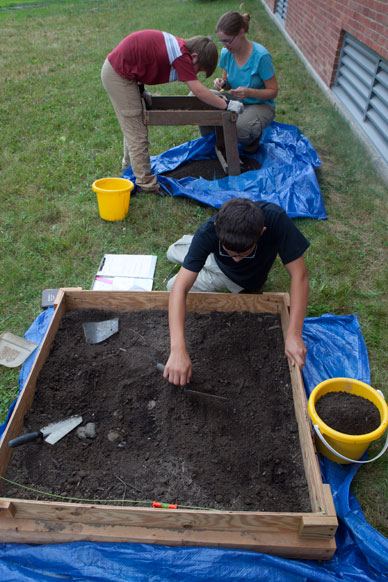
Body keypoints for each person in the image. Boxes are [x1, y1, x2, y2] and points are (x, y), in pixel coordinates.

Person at [164, 198, 309, 386]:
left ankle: (199, 262)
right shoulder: (208, 231)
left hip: (238, 280)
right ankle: (198, 259)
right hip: (214, 257)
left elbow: (300, 276)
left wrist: (294, 334)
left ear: (262, 232)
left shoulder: (276, 220)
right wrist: (177, 350)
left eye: (243, 254)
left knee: (171, 285)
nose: (237, 259)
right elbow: (182, 289)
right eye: (231, 252)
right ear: (218, 228)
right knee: (172, 252)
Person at [101, 30, 244, 193]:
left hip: (126, 74)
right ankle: (145, 183)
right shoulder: (182, 56)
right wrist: (226, 105)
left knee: (134, 126)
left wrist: (139, 90)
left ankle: (128, 169)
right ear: (195, 57)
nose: (195, 74)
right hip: (118, 75)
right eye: (198, 70)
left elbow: (141, 58)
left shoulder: (181, 48)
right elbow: (197, 90)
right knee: (137, 131)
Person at [200, 10, 277, 153]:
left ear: (241, 32)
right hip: (236, 102)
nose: (225, 46)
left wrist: (249, 92)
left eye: (228, 40)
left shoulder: (261, 56)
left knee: (238, 128)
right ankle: (216, 141)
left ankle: (252, 138)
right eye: (221, 41)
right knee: (198, 100)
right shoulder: (226, 52)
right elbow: (226, 82)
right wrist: (221, 84)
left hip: (260, 105)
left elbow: (273, 92)